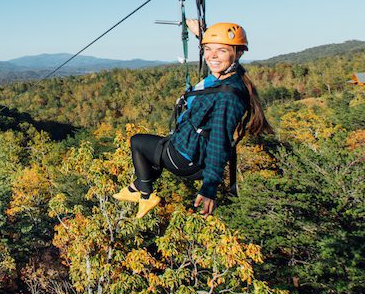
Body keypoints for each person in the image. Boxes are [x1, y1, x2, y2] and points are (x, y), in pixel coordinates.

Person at [113, 22, 272, 218]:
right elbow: (218, 58)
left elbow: (219, 141)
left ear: (238, 54)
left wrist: (210, 187)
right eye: (207, 49)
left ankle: (144, 195)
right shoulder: (230, 77)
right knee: (151, 153)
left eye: (221, 51)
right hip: (192, 153)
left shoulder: (227, 97)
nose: (211, 56)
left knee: (137, 142)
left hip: (185, 158)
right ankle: (136, 188)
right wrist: (202, 35)